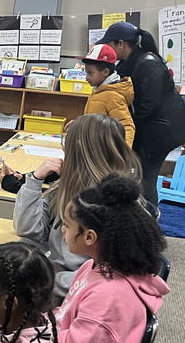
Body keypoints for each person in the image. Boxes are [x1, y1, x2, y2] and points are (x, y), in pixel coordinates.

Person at [53, 173, 168, 343]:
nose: (62, 230)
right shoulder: (94, 267)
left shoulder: (111, 294)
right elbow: (65, 321)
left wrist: (25, 339)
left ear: (90, 236)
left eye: (68, 225)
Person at [12, 113, 142, 301]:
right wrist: (34, 180)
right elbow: (29, 231)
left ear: (79, 152)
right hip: (53, 278)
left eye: (67, 148)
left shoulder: (113, 203)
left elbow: (104, 278)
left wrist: (43, 279)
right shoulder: (68, 185)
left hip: (71, 296)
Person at [97, 21, 185, 202]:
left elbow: (148, 104)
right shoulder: (129, 62)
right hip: (151, 126)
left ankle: (149, 221)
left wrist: (125, 125)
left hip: (161, 131)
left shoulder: (148, 63)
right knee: (138, 174)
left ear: (121, 44)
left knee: (146, 177)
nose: (109, 48)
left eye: (110, 44)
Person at [81, 43, 135, 146]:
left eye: (90, 73)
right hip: (93, 147)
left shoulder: (112, 96)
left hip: (103, 152)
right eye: (86, 73)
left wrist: (123, 153)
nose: (86, 77)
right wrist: (79, 125)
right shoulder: (99, 91)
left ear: (105, 72)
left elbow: (127, 126)